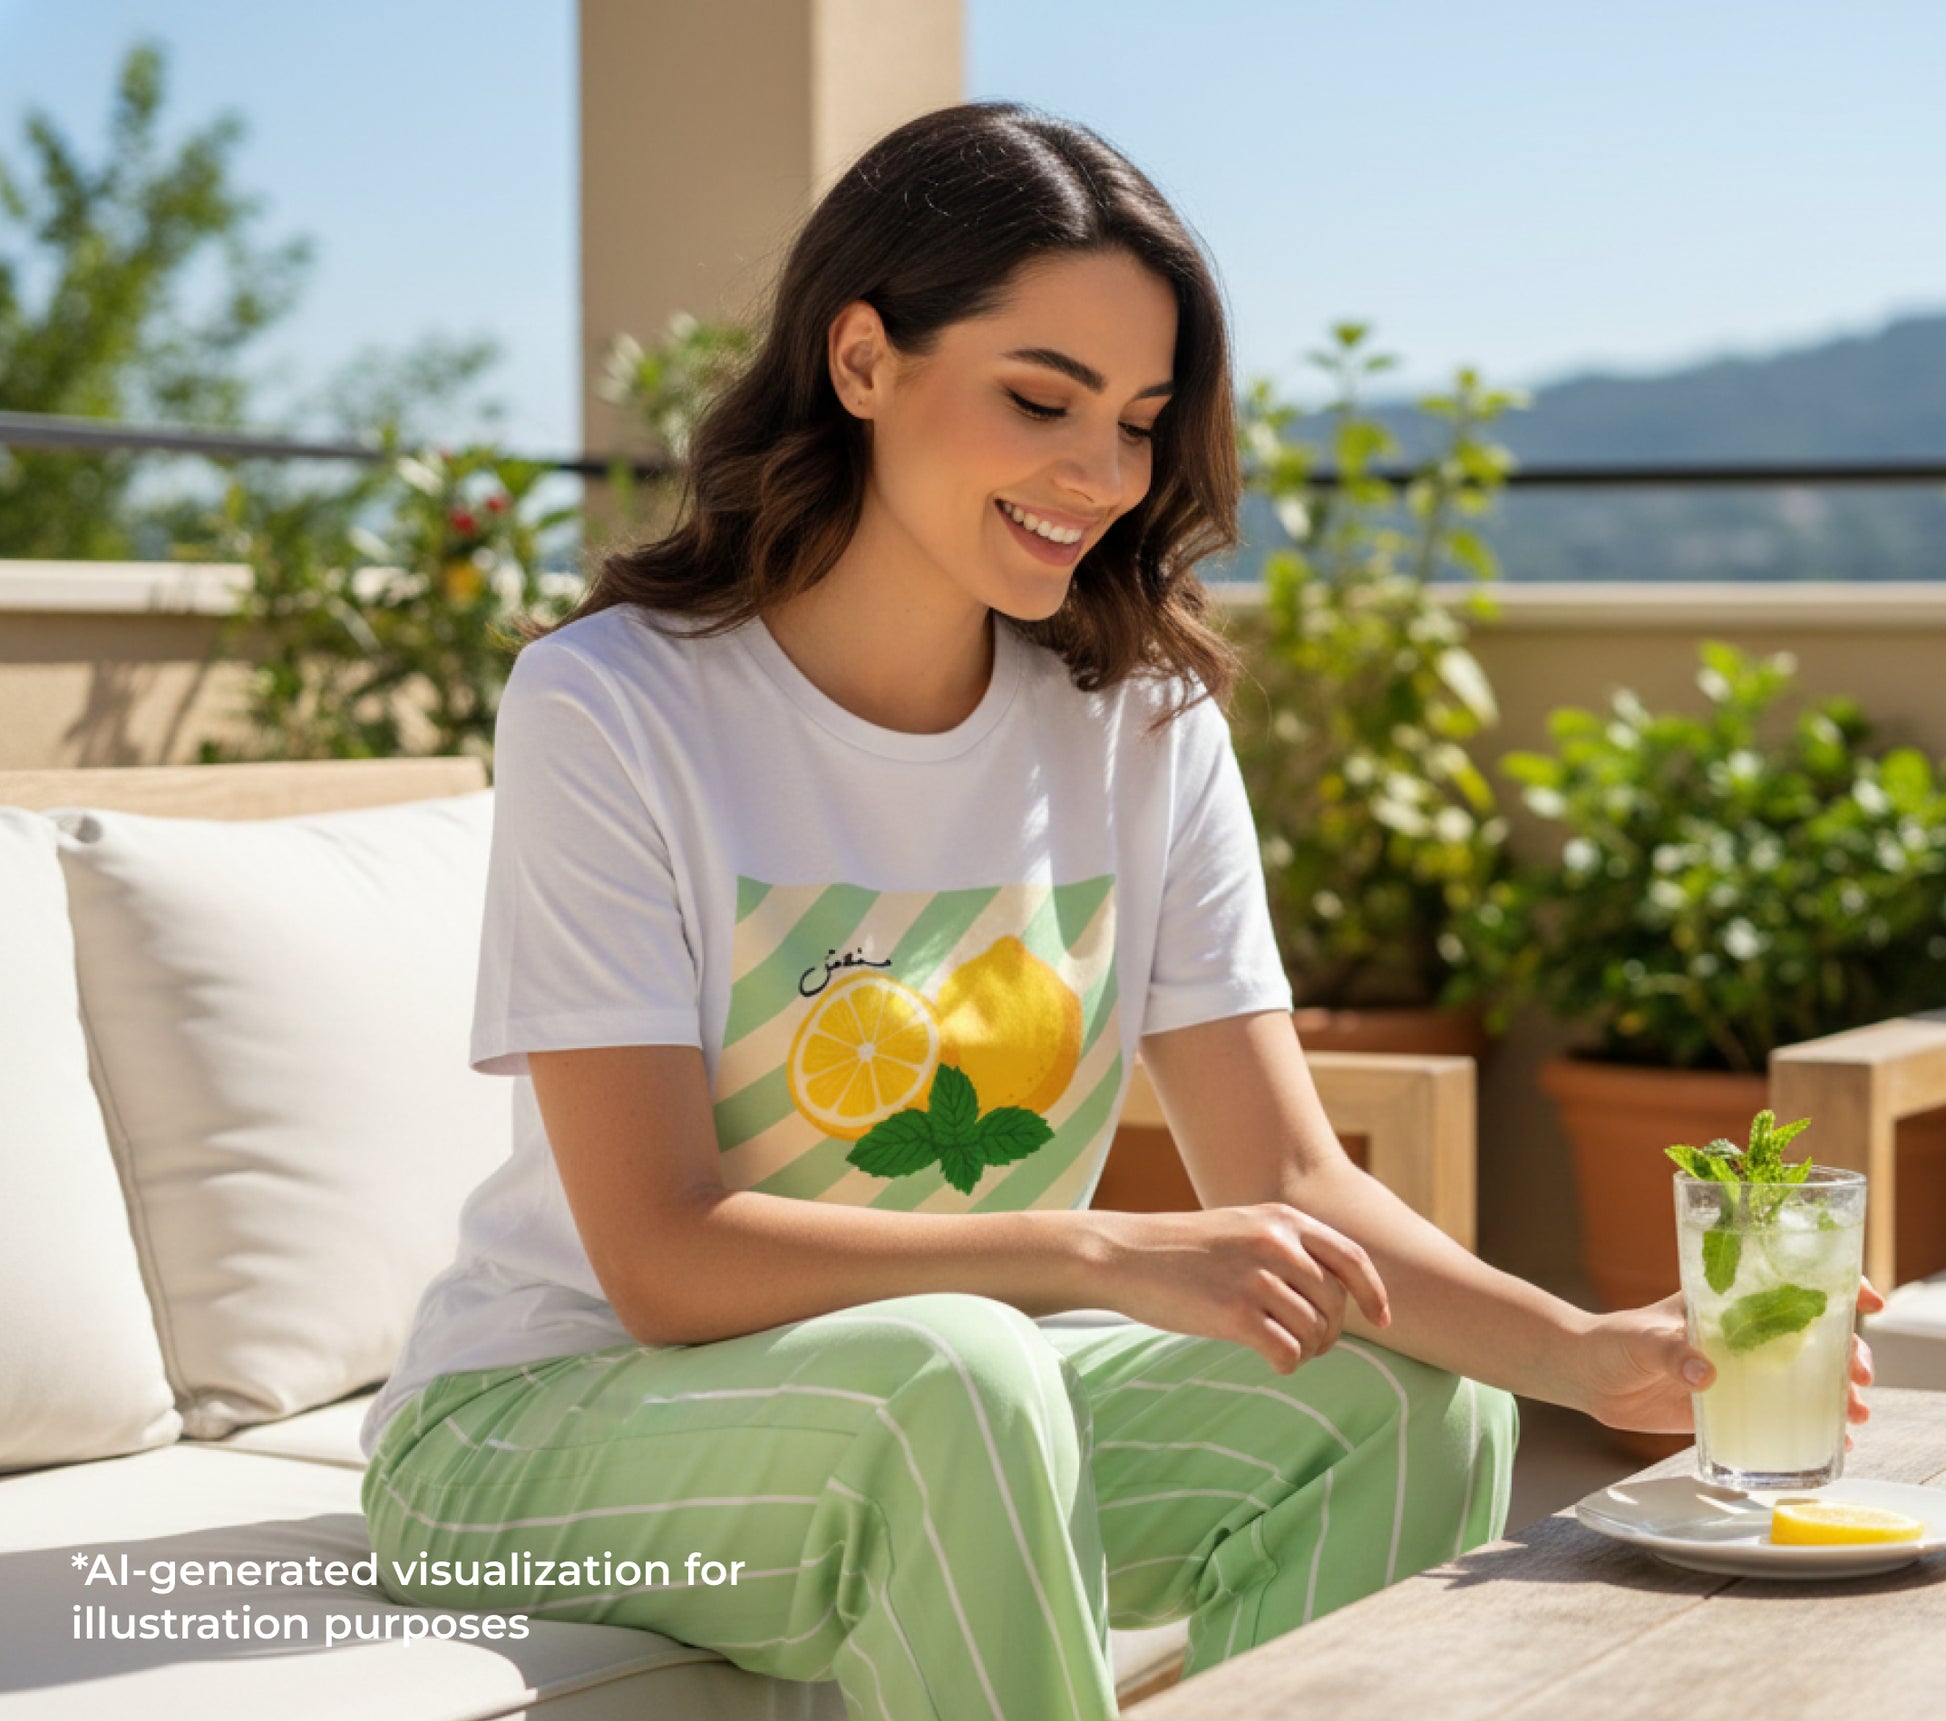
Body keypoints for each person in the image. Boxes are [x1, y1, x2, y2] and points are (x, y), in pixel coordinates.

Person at [358, 100, 1879, 1719]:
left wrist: (1584, 1348)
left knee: (1407, 1403)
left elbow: (1288, 1175)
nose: (1098, 474)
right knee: (962, 1365)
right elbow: (661, 1256)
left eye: (1140, 422)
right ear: (861, 360)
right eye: (1040, 399)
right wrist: (1103, 1250)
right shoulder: (614, 704)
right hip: (543, 1435)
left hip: (946, 1399)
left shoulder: (1140, 726)